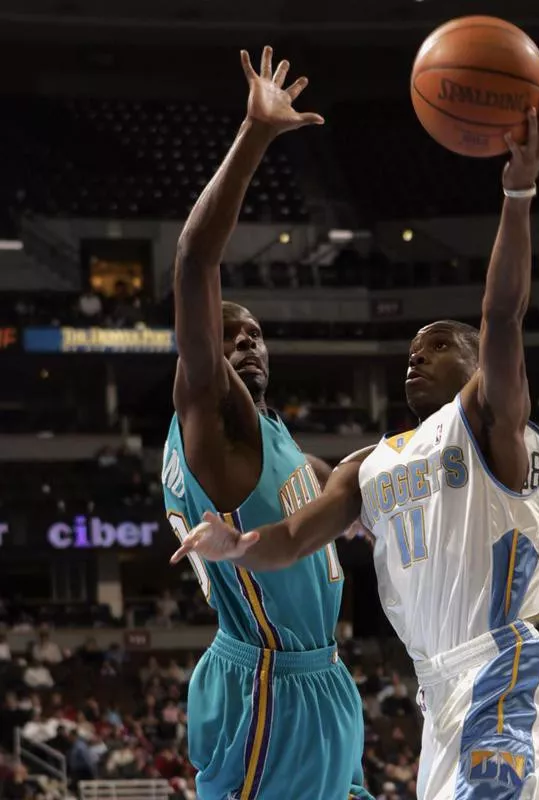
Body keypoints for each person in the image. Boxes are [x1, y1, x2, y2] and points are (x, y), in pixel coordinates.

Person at [175, 98, 539, 800]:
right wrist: (238, 547)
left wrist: (517, 192)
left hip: (500, 670)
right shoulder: (367, 465)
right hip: (430, 693)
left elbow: (503, 314)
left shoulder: (490, 418)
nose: (416, 357)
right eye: (411, 352)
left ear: (482, 365)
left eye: (439, 346)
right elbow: (292, 537)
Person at [161, 46, 371, 800]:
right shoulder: (211, 413)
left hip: (320, 682)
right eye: (229, 333)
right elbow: (192, 261)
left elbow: (339, 487)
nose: (245, 340)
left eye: (255, 333)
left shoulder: (274, 437)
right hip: (270, 688)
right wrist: (254, 134)